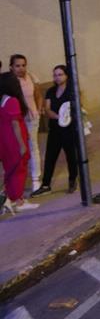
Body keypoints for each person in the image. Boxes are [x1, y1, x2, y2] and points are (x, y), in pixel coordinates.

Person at [33, 65, 80, 196]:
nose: (57, 77)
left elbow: (76, 109)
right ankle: (46, 184)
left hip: (69, 129)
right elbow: (47, 108)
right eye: (55, 75)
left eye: (60, 74)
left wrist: (66, 118)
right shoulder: (51, 91)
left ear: (66, 76)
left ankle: (72, 181)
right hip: (54, 129)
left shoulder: (72, 91)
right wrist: (56, 116)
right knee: (50, 157)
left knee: (71, 156)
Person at [0, 72, 33, 213]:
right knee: (19, 168)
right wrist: (22, 145)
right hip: (13, 140)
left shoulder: (2, 100)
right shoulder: (12, 101)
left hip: (4, 139)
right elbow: (15, 125)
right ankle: (18, 200)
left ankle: (10, 198)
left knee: (10, 169)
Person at [8, 57, 41, 194]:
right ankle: (17, 181)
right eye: (17, 66)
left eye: (23, 65)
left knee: (33, 147)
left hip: (31, 119)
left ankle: (35, 179)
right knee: (18, 149)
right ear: (11, 67)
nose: (21, 68)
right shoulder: (8, 82)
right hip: (16, 121)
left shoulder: (32, 77)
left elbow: (38, 95)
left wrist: (38, 110)